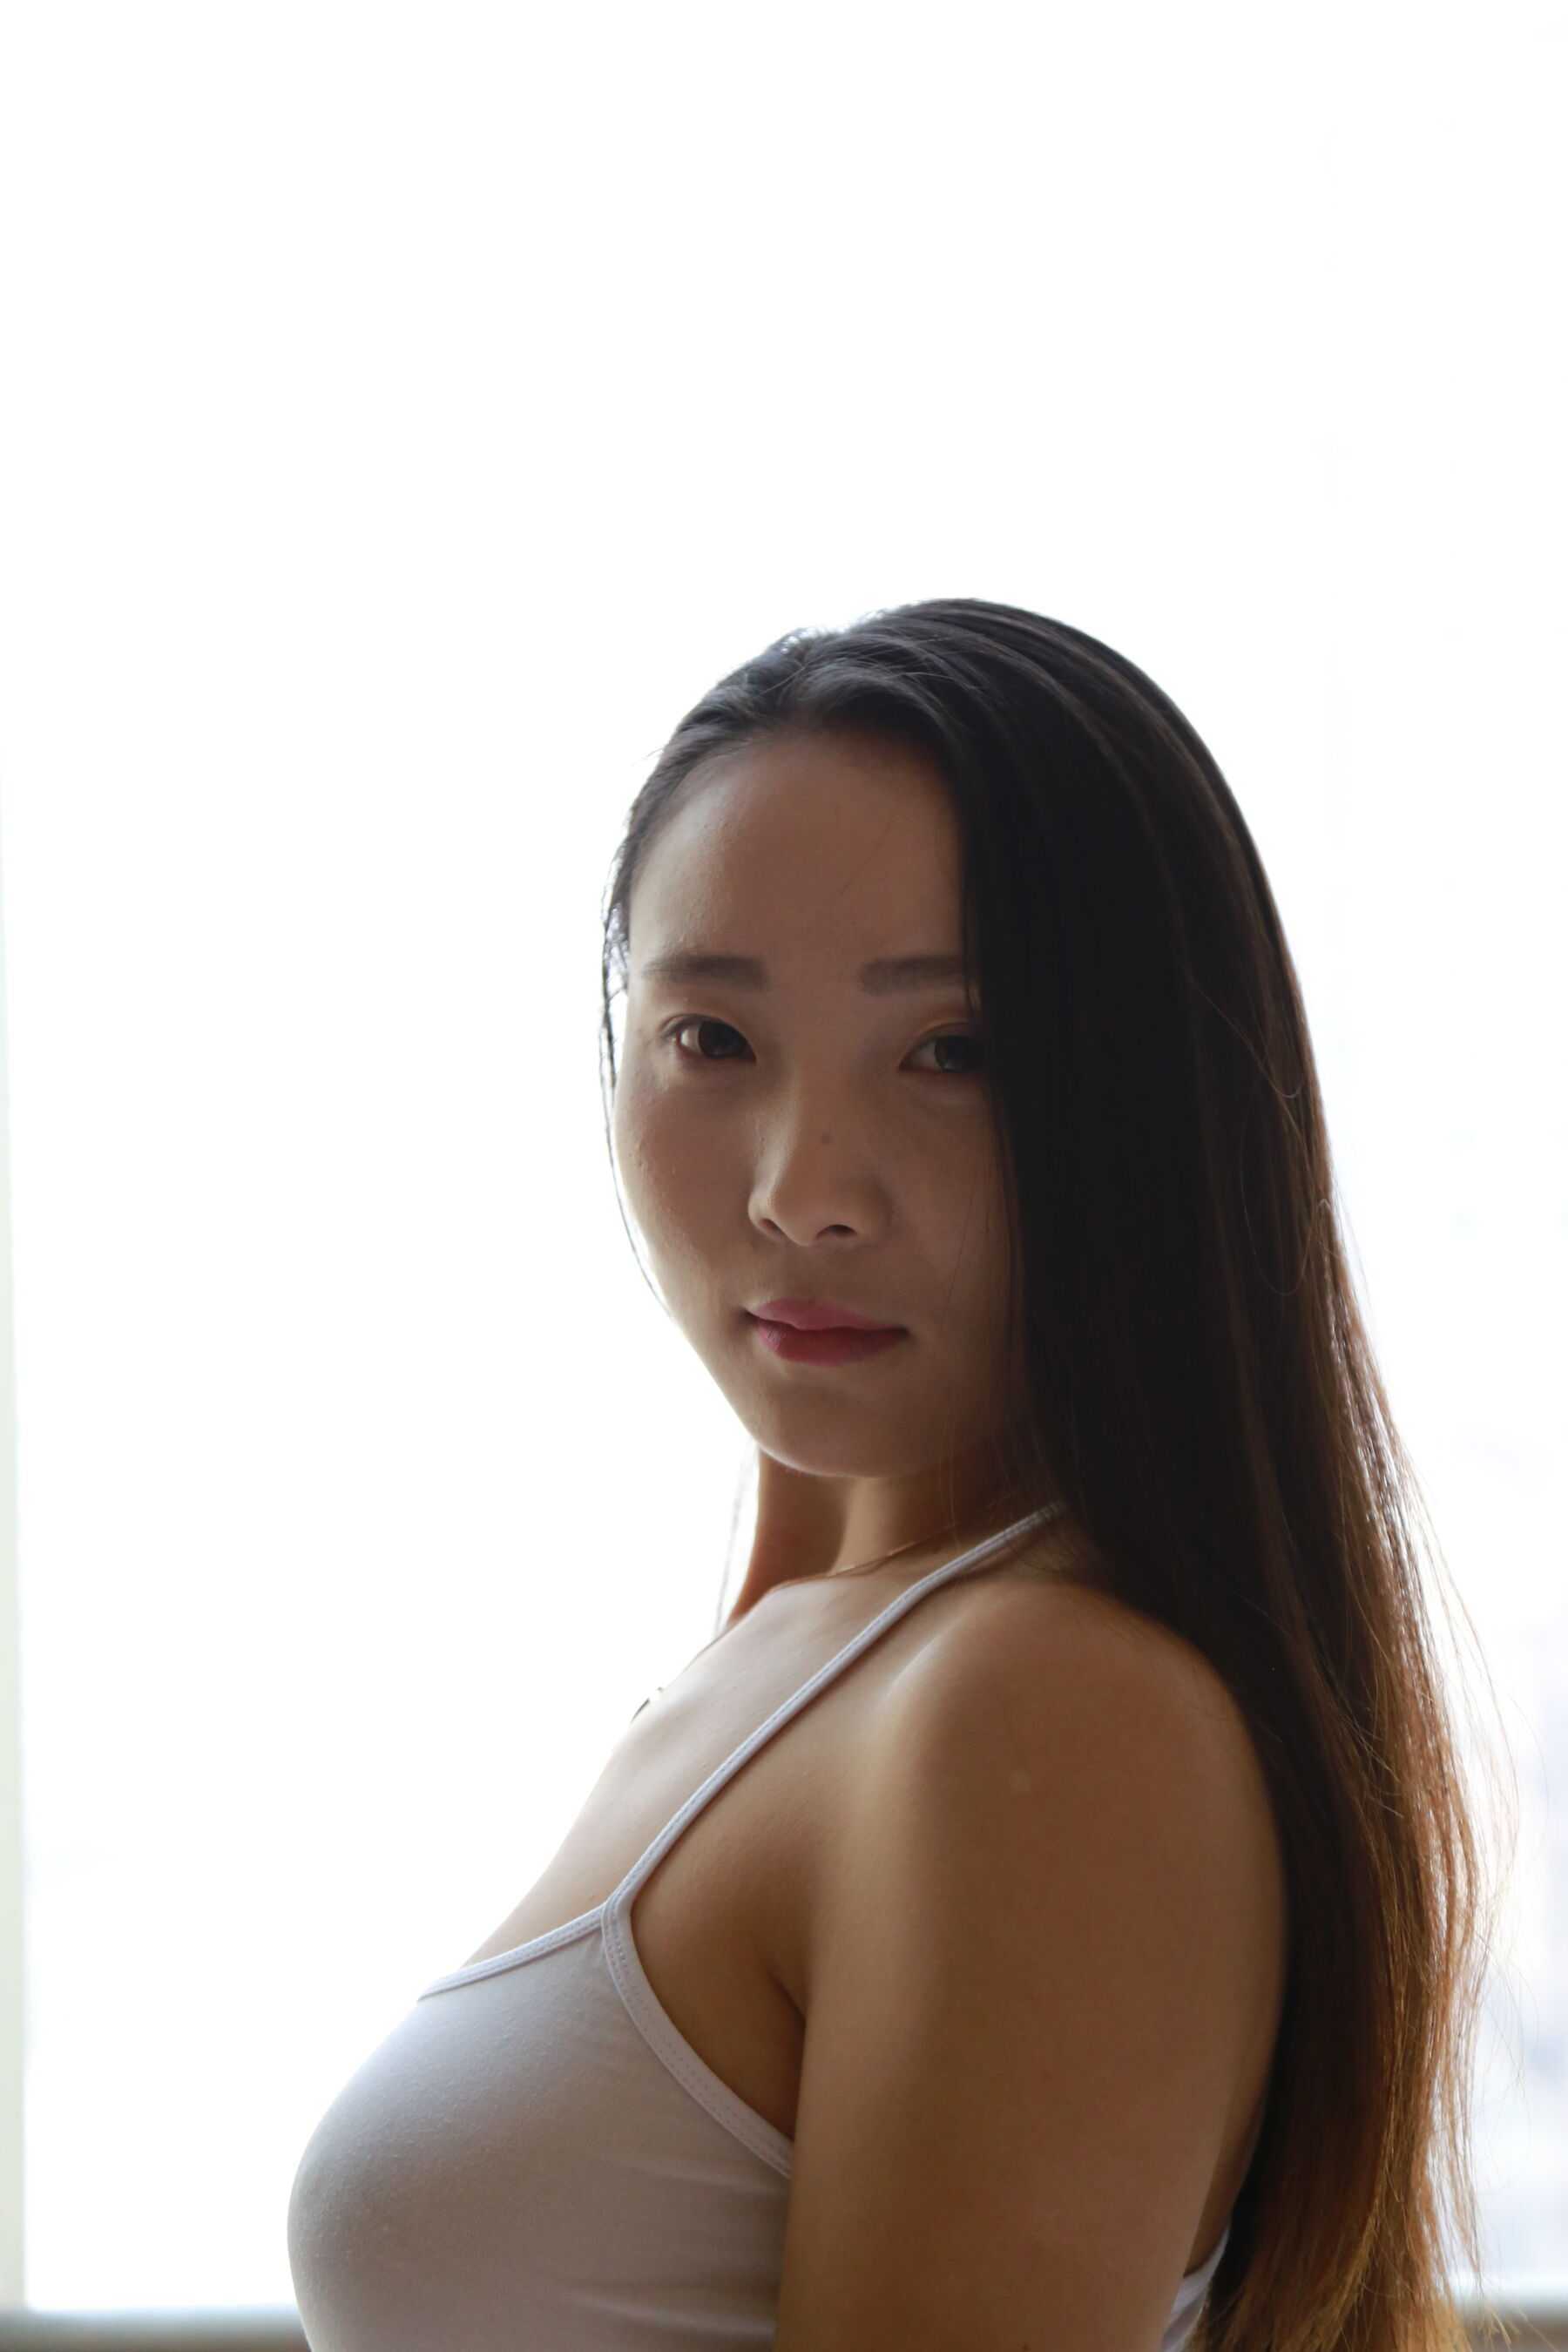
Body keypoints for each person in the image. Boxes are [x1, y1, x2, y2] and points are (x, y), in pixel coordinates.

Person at [287, 597, 1512, 2352]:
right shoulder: (814, 1655)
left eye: (953, 1053)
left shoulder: (1043, 1708)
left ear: (1151, 1105)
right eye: (714, 1041)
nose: (804, 1190)